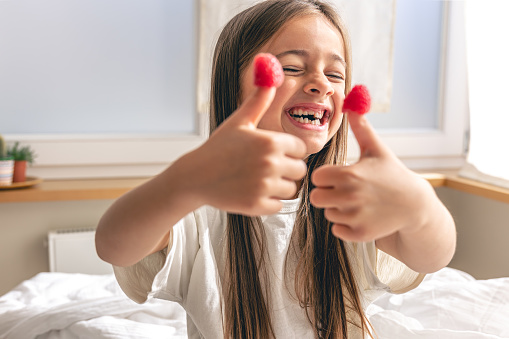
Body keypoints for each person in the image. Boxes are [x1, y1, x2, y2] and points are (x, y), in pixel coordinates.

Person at [95, 0, 456, 338]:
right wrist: (185, 181)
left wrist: (420, 205)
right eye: (291, 68)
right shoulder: (199, 209)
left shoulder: (351, 199)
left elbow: (433, 256)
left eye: (335, 74)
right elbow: (114, 245)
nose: (320, 84)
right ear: (233, 90)